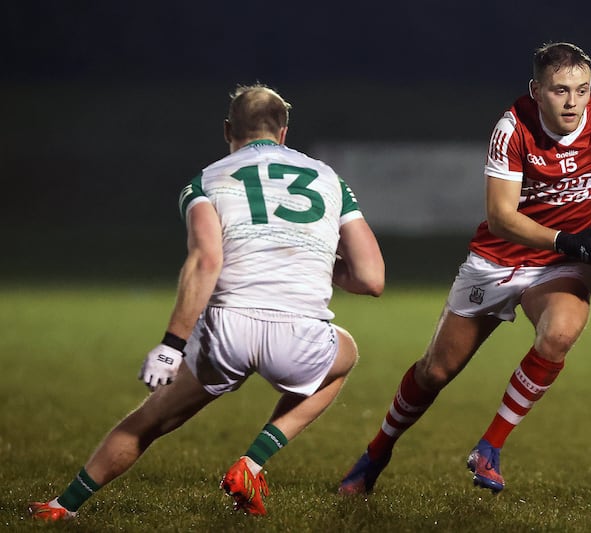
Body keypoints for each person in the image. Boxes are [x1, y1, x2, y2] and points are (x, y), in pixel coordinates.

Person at [29, 83, 385, 521]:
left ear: (227, 130)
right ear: (284, 132)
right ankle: (251, 463)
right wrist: (313, 263)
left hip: (227, 330)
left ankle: (62, 506)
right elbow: (371, 278)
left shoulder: (208, 179)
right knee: (344, 353)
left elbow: (206, 260)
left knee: (152, 421)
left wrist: (170, 345)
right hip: (301, 334)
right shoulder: (329, 179)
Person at [338, 41, 591, 495]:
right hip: (499, 258)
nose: (573, 101)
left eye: (582, 89)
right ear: (537, 90)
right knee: (435, 372)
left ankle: (490, 447)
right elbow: (501, 216)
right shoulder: (513, 127)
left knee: (560, 332)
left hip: (561, 264)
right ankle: (377, 452)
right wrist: (569, 241)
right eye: (560, 90)